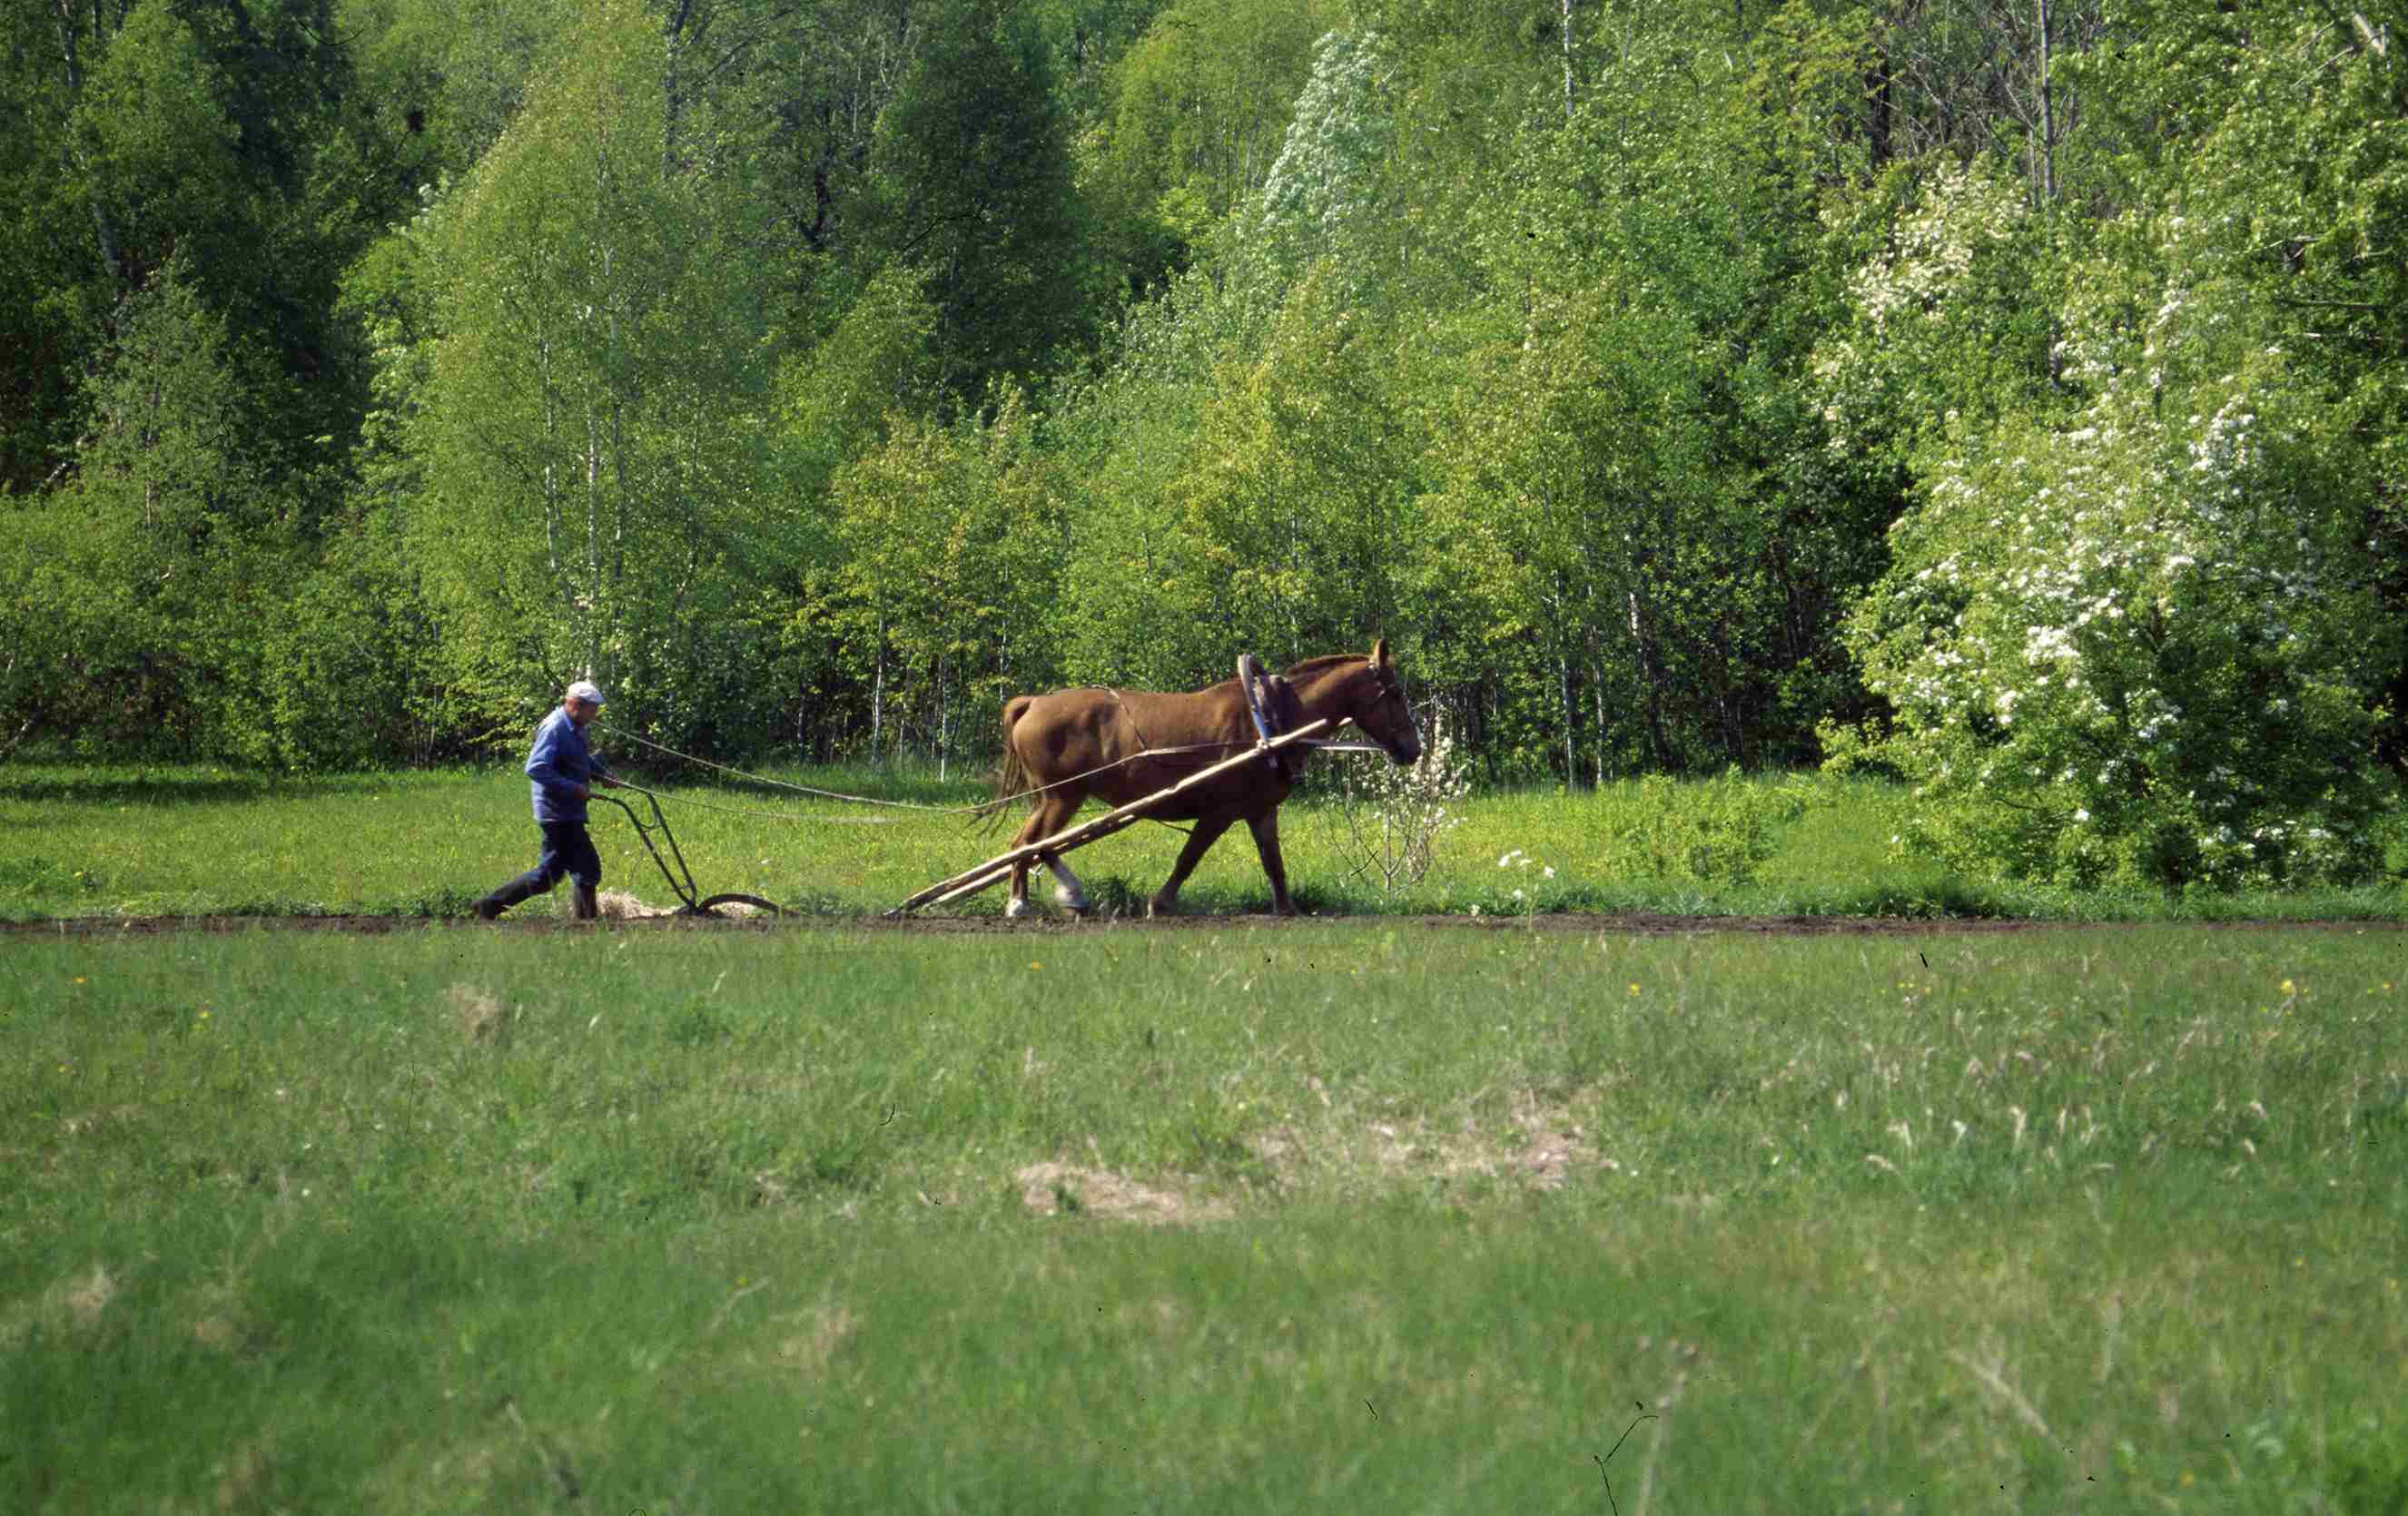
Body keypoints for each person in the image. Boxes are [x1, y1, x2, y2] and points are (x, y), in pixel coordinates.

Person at [475, 679, 623, 920]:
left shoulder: (577, 727)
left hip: (568, 811)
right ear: (575, 704)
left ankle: (488, 907)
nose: (595, 714)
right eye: (592, 709)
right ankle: (587, 923)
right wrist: (573, 788)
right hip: (557, 811)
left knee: (547, 877)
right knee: (587, 868)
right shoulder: (555, 728)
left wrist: (602, 775)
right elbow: (535, 768)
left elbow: (581, 759)